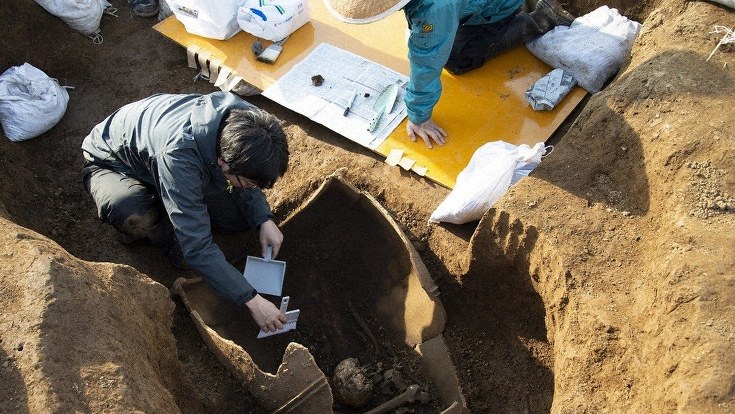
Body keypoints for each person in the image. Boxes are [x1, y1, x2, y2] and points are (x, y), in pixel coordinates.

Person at [81, 92, 291, 333]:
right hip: (113, 162)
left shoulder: (253, 125)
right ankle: (164, 229)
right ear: (223, 162)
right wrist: (252, 301)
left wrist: (264, 218)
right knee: (137, 216)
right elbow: (198, 247)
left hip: (169, 159)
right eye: (247, 183)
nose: (251, 188)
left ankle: (175, 200)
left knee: (238, 221)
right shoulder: (179, 155)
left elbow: (247, 172)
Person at [322, 0, 575, 148]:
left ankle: (538, 19)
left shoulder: (435, 7)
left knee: (457, 58)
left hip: (499, 5)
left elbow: (428, 60)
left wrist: (419, 115)